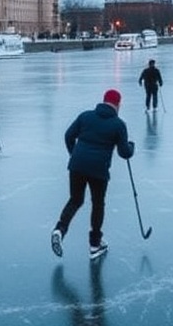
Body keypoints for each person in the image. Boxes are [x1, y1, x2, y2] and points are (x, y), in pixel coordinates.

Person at [50, 89, 135, 260]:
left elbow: (68, 136)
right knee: (98, 204)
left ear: (103, 101)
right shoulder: (118, 124)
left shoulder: (86, 116)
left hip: (77, 166)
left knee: (75, 200)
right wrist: (131, 146)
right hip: (99, 170)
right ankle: (95, 245)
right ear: (118, 104)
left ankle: (60, 229)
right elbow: (124, 153)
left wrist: (74, 154)